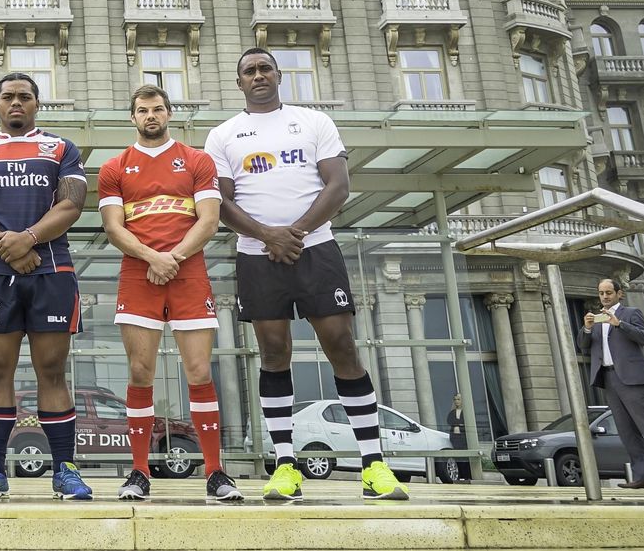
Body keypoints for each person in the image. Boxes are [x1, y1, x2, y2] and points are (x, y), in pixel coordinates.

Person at [203, 48, 407, 502]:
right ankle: (285, 466)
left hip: (315, 249)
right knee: (273, 353)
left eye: (264, 68)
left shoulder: (314, 122)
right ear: (239, 82)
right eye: (248, 70)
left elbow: (338, 186)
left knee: (342, 345)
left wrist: (293, 233)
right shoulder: (223, 135)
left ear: (279, 75)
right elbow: (222, 204)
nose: (257, 75)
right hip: (257, 256)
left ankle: (374, 465)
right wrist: (267, 237)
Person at [98, 84, 243, 503]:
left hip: (188, 271)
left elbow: (210, 220)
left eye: (158, 109)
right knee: (140, 372)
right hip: (137, 274)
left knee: (198, 371)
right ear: (132, 117)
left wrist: (172, 258)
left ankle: (215, 473)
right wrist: (152, 258)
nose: (151, 116)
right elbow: (113, 227)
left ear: (168, 114)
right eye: (143, 110)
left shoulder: (197, 160)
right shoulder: (114, 167)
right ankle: (140, 472)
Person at [0, 72, 92, 500]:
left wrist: (28, 239)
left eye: (25, 97)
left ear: (37, 104)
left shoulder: (61, 148)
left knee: (52, 370)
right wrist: (5, 245)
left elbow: (72, 203)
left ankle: (64, 471)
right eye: (8, 97)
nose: (17, 103)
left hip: (51, 270)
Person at [580, 277, 644, 489]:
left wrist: (620, 325)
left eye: (609, 292)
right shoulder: (597, 319)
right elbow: (583, 346)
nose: (605, 297)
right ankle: (642, 476)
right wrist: (588, 329)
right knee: (626, 431)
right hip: (608, 378)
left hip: (632, 379)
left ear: (619, 293)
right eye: (601, 293)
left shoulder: (630, 313)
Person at [446, 394, 471, 482]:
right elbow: (450, 421)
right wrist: (459, 423)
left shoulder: (466, 412)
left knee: (465, 457)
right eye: (455, 399)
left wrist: (458, 423)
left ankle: (467, 475)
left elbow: (466, 423)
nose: (457, 401)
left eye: (459, 399)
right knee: (458, 457)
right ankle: (459, 476)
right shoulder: (452, 412)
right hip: (454, 437)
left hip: (463, 437)